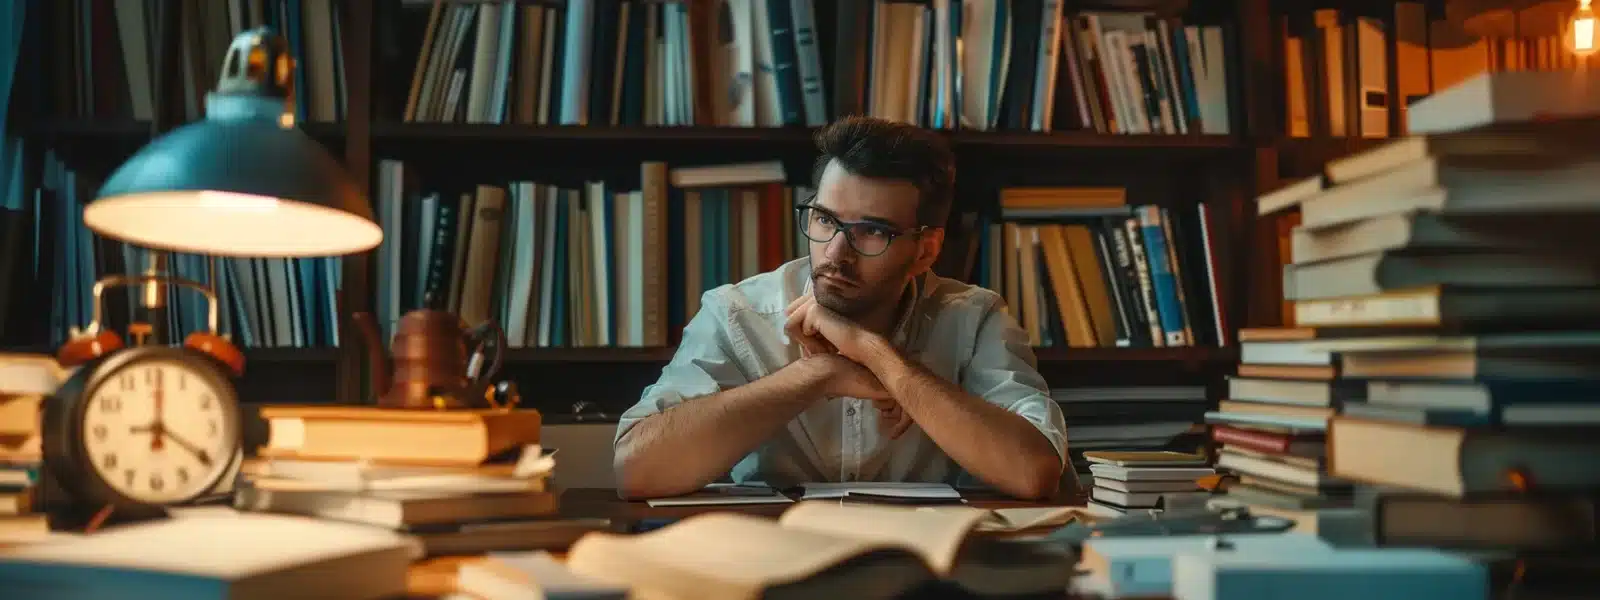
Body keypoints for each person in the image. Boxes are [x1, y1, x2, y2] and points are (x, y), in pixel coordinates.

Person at [612, 116, 1068, 500]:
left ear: (926, 251)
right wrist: (819, 376)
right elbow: (636, 469)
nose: (834, 253)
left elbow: (1034, 473)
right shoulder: (738, 313)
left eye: (872, 231)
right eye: (825, 219)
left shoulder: (974, 318)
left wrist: (878, 357)